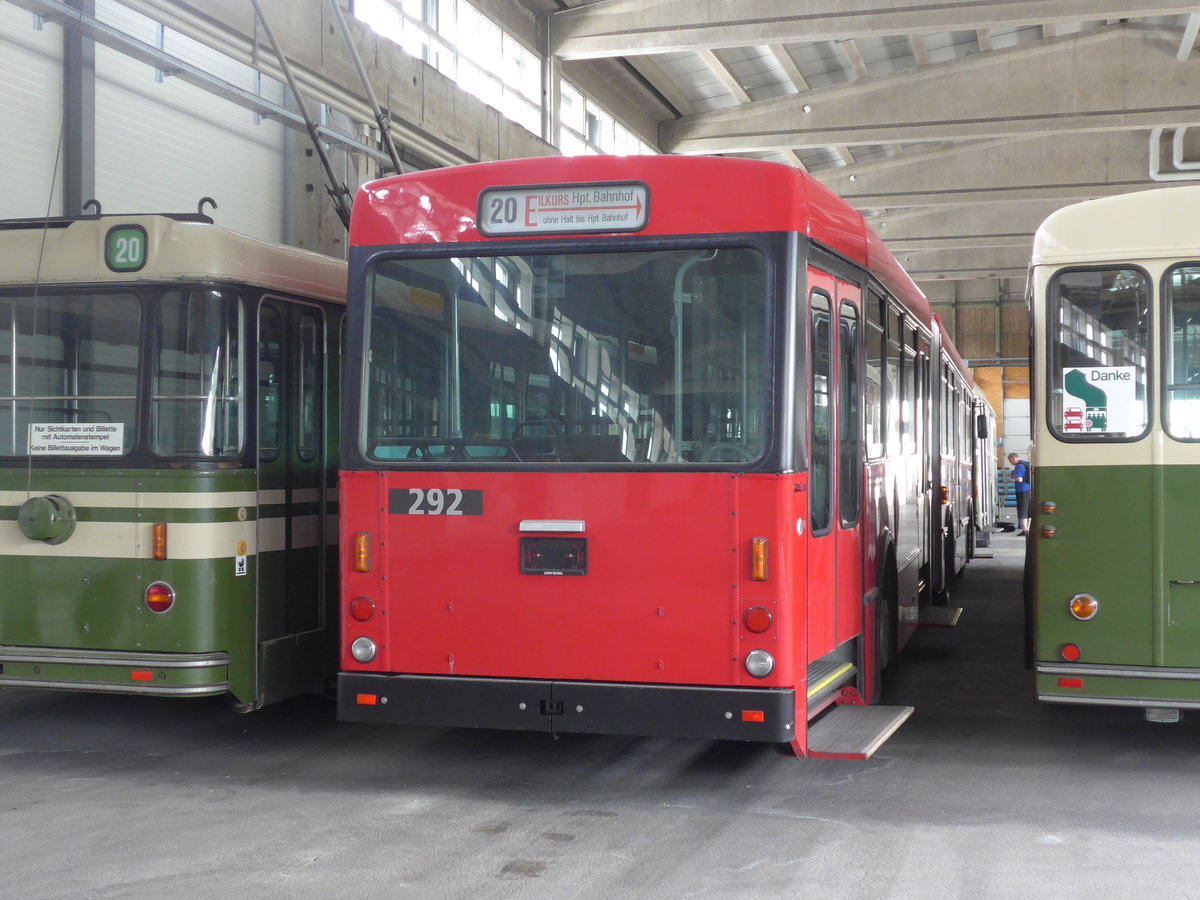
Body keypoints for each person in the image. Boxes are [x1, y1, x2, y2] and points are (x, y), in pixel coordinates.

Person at [1008, 451, 1032, 536]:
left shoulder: (1019, 466)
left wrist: (1013, 477)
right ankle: (1028, 528)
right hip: (1029, 489)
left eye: (1011, 461)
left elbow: (1020, 479)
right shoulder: (1026, 464)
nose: (1011, 463)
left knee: (1022, 511)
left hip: (1021, 490)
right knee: (1029, 511)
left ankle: (1025, 530)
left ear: (1013, 458)